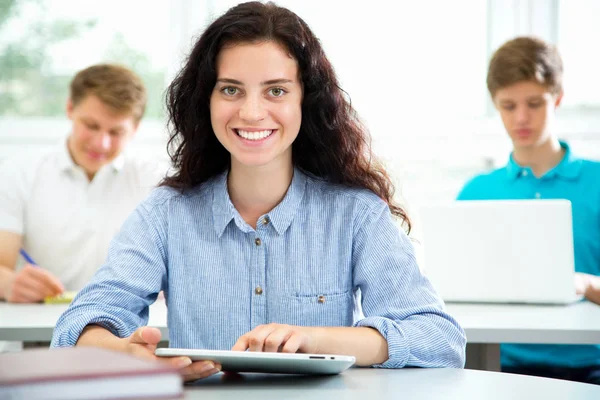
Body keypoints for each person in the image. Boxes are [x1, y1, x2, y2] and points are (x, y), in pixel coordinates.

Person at [51, 1, 466, 381]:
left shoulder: (356, 213)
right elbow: (79, 323)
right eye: (231, 89)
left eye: (276, 91)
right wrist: (123, 353)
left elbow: (439, 338)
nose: (251, 113)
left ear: (308, 100)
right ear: (206, 100)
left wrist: (315, 341)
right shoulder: (165, 213)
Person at [457, 36, 600, 384]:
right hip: (495, 368)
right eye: (508, 105)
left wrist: (586, 284)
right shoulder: (475, 194)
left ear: (558, 99)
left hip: (589, 369)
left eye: (535, 103)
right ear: (495, 104)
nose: (521, 117)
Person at [0, 64, 163, 303]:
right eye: (91, 126)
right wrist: (8, 284)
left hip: (130, 331)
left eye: (116, 132)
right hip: (39, 330)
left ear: (135, 128)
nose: (101, 144)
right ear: (69, 109)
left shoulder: (155, 181)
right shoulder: (19, 172)